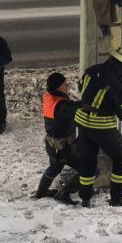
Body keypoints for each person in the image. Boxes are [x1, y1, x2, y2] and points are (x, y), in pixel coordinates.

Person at [75, 45, 122, 208]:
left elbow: (82, 88)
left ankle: (85, 198)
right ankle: (118, 198)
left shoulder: (91, 70)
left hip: (82, 122)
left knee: (87, 161)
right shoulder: (120, 85)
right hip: (103, 127)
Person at [36, 72, 82, 205]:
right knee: (89, 170)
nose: (67, 85)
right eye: (64, 83)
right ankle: (64, 193)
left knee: (55, 167)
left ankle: (41, 192)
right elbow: (76, 107)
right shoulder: (61, 105)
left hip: (51, 144)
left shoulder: (49, 96)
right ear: (57, 87)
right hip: (64, 147)